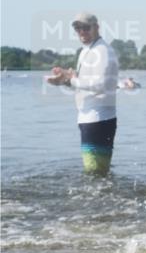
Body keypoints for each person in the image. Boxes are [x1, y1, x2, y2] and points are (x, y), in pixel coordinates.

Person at [45, 12, 119, 175]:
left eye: (86, 27)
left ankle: (102, 199)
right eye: (78, 28)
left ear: (97, 27)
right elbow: (82, 83)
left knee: (95, 173)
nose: (82, 31)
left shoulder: (103, 50)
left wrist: (70, 81)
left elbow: (101, 85)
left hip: (99, 119)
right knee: (94, 172)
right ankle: (101, 199)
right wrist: (65, 77)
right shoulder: (86, 51)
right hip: (87, 118)